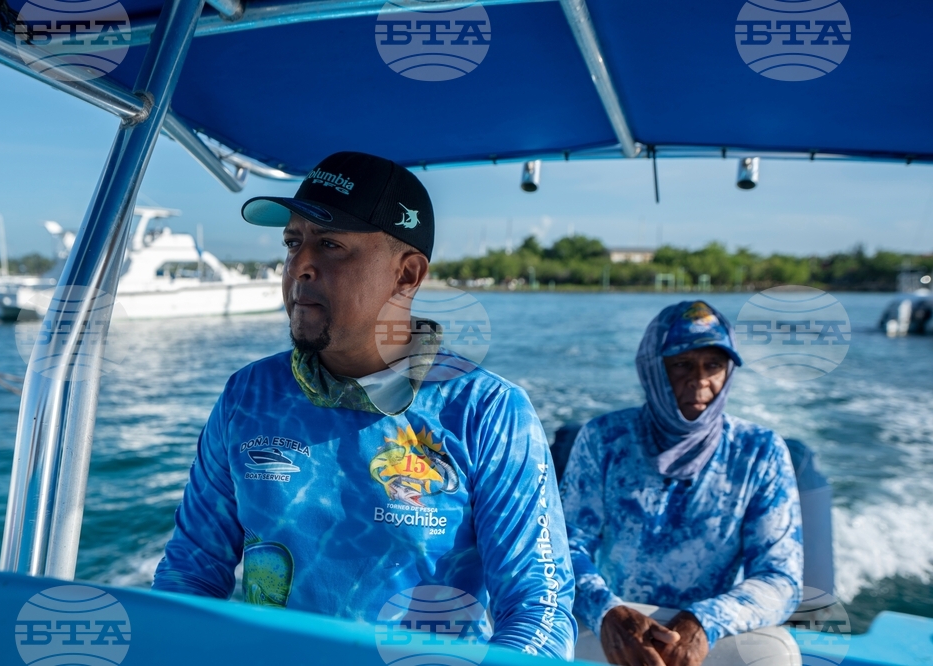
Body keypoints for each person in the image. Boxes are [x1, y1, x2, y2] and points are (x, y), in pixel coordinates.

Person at [152, 151, 576, 660]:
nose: (299, 266)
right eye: (292, 242)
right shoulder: (248, 395)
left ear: (407, 275)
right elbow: (190, 571)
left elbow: (539, 607)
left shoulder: (486, 411)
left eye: (330, 244)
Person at [560, 300, 803, 666]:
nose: (700, 380)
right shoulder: (604, 439)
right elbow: (565, 550)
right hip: (614, 622)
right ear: (653, 369)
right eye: (682, 365)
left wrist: (704, 621)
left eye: (714, 365)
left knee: (775, 654)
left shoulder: (760, 452)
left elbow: (780, 578)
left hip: (709, 633)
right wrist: (607, 612)